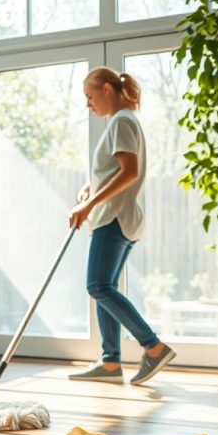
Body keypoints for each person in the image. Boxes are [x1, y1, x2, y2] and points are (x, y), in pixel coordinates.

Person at [67, 67, 176, 386]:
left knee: (98, 286)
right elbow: (115, 169)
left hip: (113, 217)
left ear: (105, 88)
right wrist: (91, 185)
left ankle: (153, 347)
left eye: (89, 97)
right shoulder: (121, 123)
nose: (89, 105)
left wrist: (88, 204)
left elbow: (129, 172)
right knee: (105, 288)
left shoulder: (122, 121)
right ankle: (111, 362)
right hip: (115, 215)